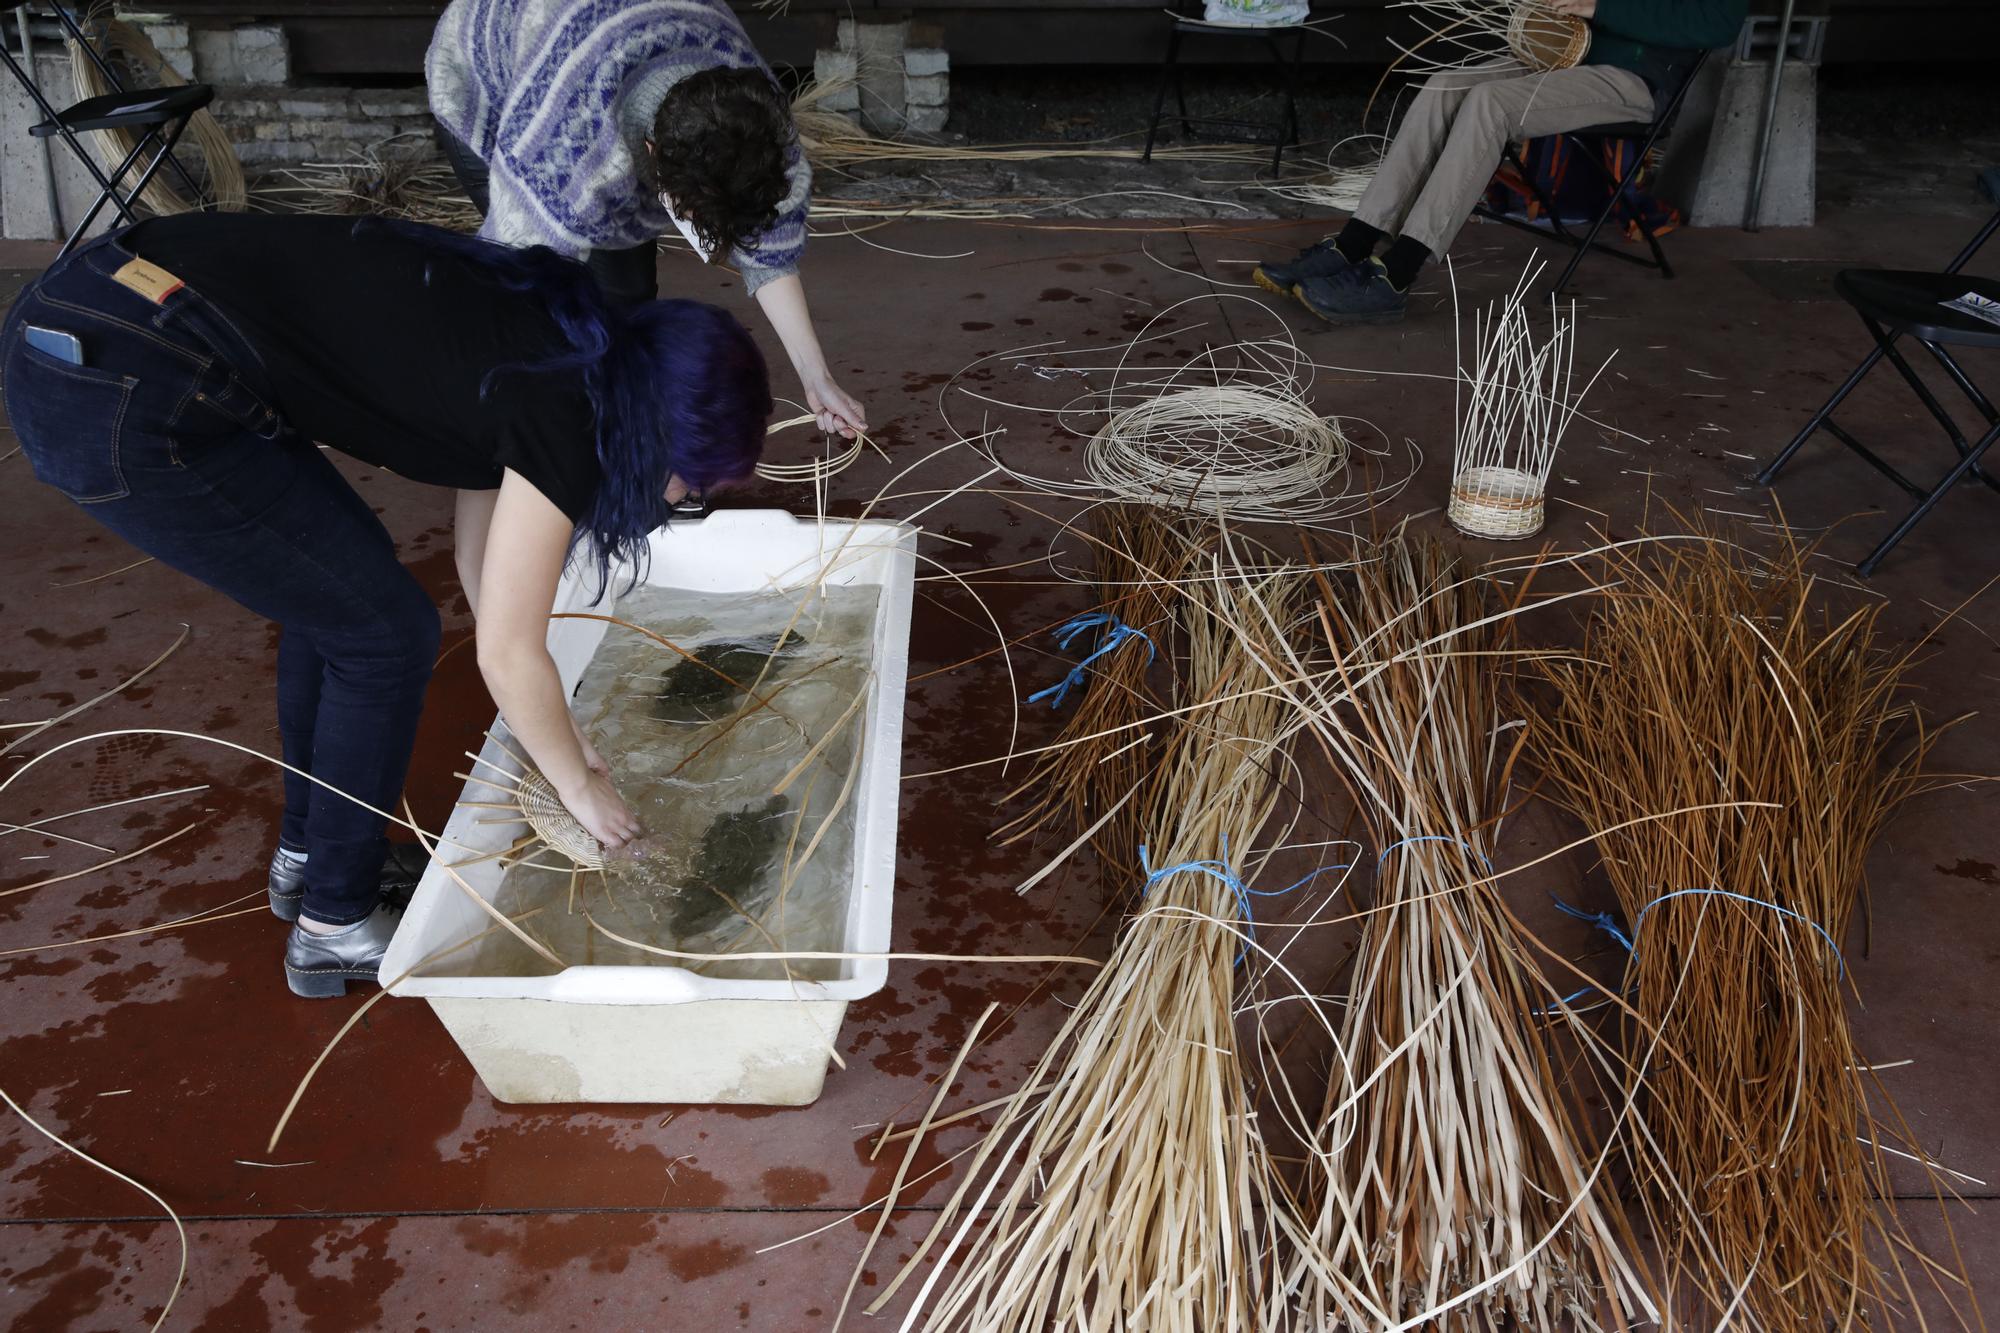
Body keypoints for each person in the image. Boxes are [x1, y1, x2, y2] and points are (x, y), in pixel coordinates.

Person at [1, 213, 772, 997]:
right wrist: (581, 789)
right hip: (111, 379)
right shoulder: (569, 419)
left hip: (108, 309)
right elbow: (505, 651)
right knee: (385, 633)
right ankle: (333, 927)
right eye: (692, 481)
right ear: (656, 437)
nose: (682, 498)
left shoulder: (564, 346)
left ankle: (316, 859)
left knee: (343, 591)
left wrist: (562, 733)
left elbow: (484, 568)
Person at [426, 0, 865, 440]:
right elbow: (523, 279)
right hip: (486, 72)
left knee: (626, 298)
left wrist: (816, 374)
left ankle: (632, 443)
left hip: (621, 44)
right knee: (553, 309)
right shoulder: (569, 142)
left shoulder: (757, 114)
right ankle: (570, 460)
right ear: (653, 155)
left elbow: (770, 242)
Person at [1256, 0, 1746, 324]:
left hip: (1632, 78)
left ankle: (1399, 273)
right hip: (1564, 56)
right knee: (1445, 86)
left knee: (1492, 104)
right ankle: (1355, 242)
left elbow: (1719, 23)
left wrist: (1598, 5)